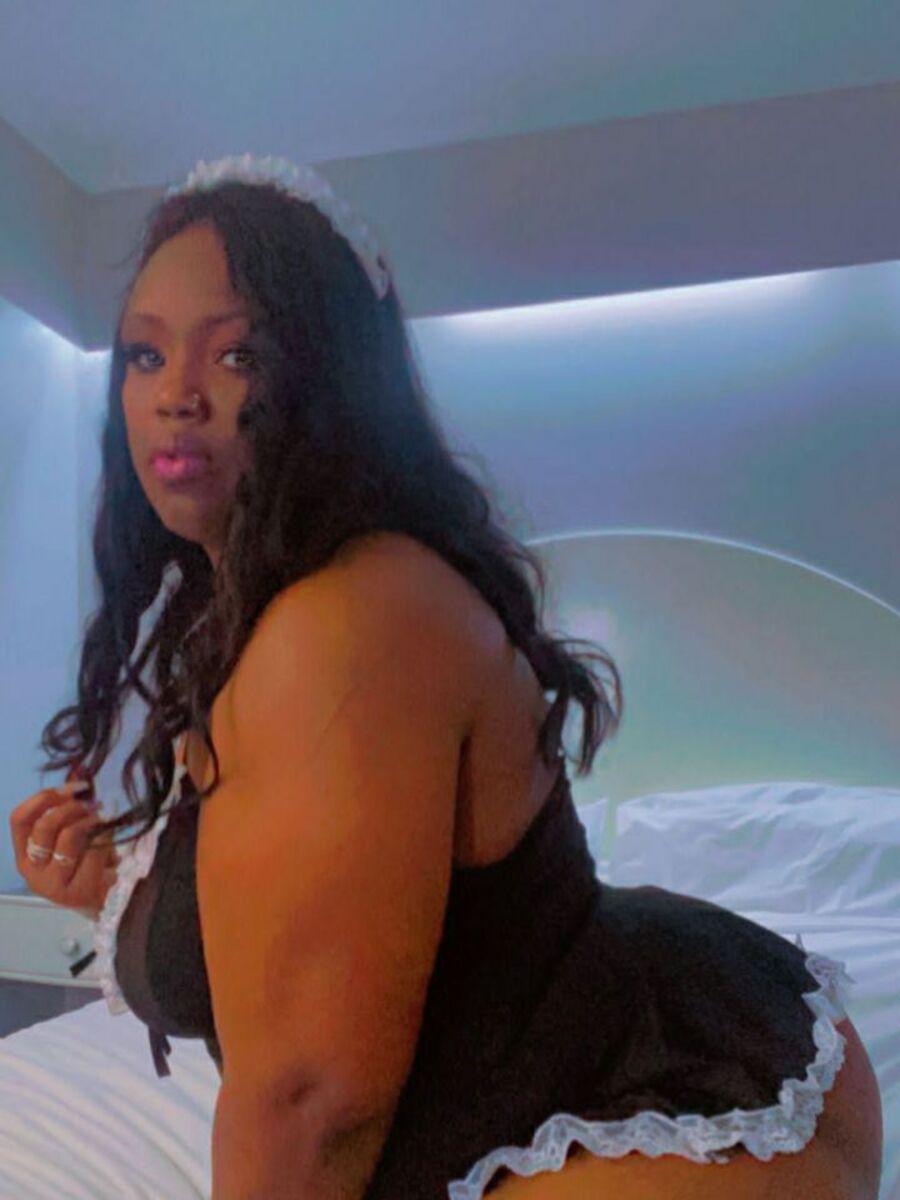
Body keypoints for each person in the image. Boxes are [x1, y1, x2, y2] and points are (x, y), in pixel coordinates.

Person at [10, 154, 881, 1199]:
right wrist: (119, 895)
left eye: (238, 353)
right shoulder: (267, 616)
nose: (175, 398)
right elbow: (287, 933)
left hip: (668, 1105)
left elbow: (311, 1099)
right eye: (145, 355)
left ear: (328, 376)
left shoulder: (348, 622)